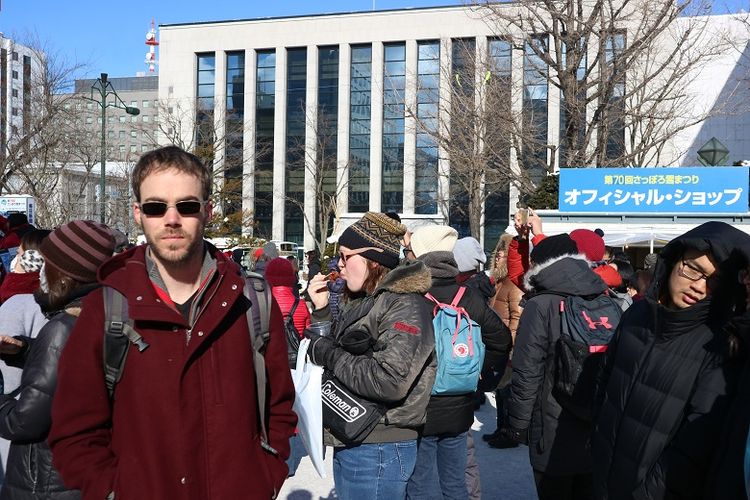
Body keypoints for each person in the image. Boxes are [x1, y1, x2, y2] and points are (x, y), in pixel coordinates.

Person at [48, 146, 297, 499]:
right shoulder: (107, 306)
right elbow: (74, 431)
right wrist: (111, 491)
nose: (171, 219)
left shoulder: (252, 300)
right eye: (155, 207)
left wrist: (265, 475)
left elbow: (279, 408)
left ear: (207, 211)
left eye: (187, 205)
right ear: (138, 214)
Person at [593, 221, 750, 499]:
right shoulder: (636, 314)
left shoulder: (720, 345)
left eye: (714, 281)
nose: (699, 287)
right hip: (603, 477)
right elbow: (603, 387)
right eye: (693, 269)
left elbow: (694, 448)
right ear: (674, 260)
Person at [305, 211, 435, 500]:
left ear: (374, 259)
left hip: (379, 444)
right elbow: (332, 357)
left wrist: (329, 354)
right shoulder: (366, 300)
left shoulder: (405, 306)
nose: (338, 264)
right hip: (356, 435)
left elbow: (389, 380)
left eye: (345, 255)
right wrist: (322, 311)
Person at [0, 220, 116, 500]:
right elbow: (74, 371)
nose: (41, 272)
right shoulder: (103, 313)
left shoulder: (63, 326)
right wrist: (26, 351)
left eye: (47, 263)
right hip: (81, 473)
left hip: (47, 479)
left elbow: (24, 421)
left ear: (65, 273)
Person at [405, 225, 512, 500]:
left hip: (420, 407)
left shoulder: (410, 297)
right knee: (455, 485)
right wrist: (477, 374)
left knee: (417, 486)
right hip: (460, 406)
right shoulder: (467, 295)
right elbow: (501, 339)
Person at [505, 233, 602, 500]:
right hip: (596, 424)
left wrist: (517, 424)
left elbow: (527, 371)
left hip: (551, 425)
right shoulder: (603, 296)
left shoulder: (540, 305)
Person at [265, 257, 310, 478]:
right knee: (290, 411)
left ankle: (272, 457)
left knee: (270, 411)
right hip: (295, 366)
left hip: (270, 365)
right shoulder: (300, 305)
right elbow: (307, 334)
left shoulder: (263, 303)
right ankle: (290, 463)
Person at [485, 232, 524, 449]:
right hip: (498, 344)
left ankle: (509, 432)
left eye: (502, 255)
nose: (498, 257)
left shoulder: (513, 284)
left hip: (508, 346)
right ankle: (501, 428)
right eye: (497, 255)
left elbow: (516, 318)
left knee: (507, 390)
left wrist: (511, 347)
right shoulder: (498, 282)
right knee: (500, 389)